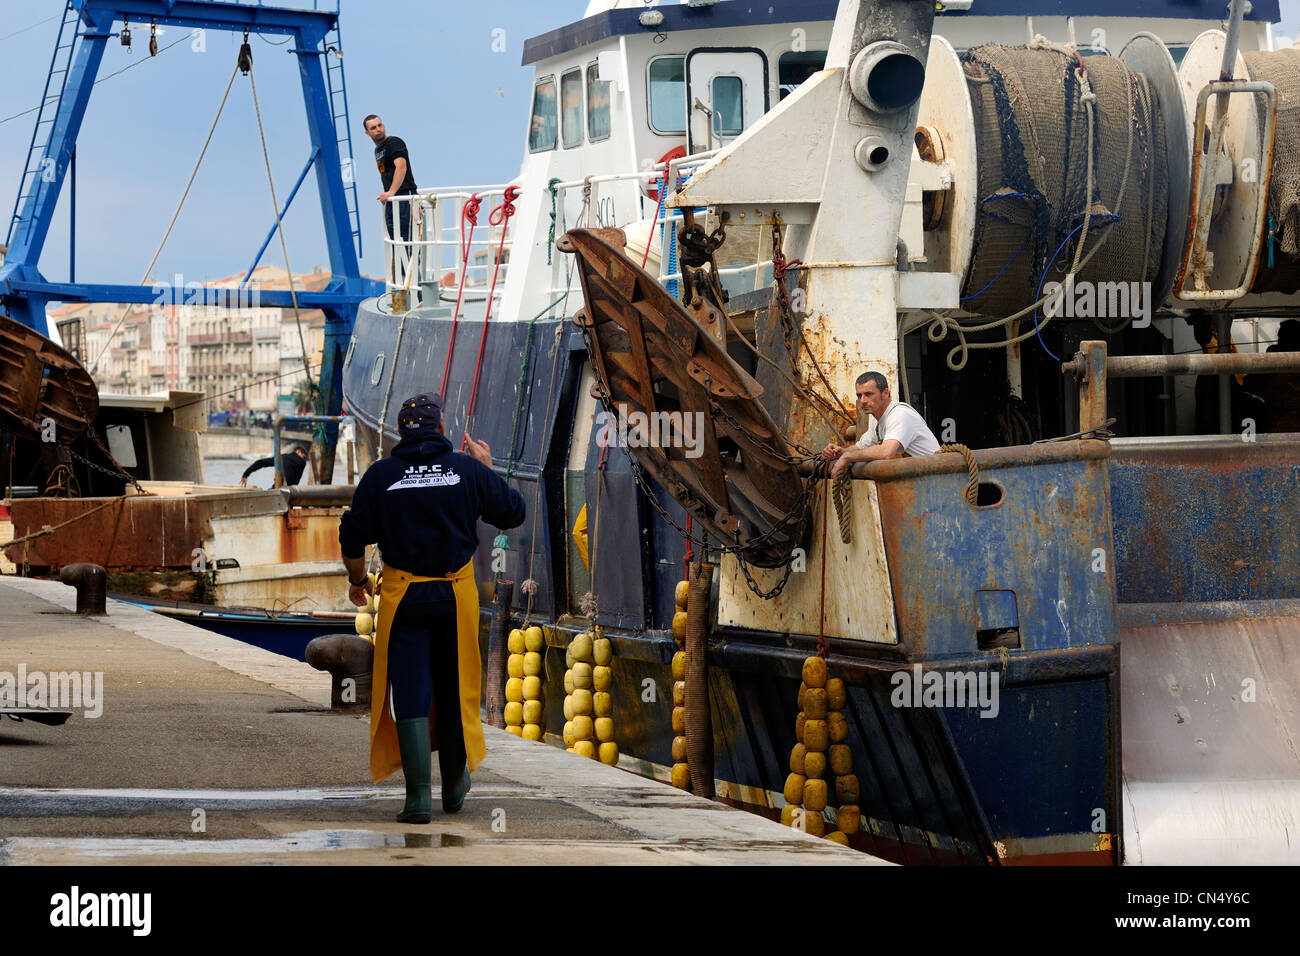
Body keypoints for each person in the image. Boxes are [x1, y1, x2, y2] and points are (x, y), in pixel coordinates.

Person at [338, 393, 525, 822]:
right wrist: (486, 468)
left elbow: (351, 538)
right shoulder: (466, 470)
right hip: (455, 598)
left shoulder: (381, 475)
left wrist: (358, 580)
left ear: (400, 433)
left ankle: (417, 799)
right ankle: (455, 786)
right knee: (455, 688)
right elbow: (512, 512)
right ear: (441, 429)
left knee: (410, 694)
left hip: (404, 600)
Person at [822, 371, 940, 478]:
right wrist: (838, 452)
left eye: (868, 394)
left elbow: (886, 452)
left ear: (885, 393)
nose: (862, 400)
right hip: (919, 479)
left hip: (937, 478)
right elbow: (861, 447)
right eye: (859, 395)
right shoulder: (876, 419)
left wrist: (847, 457)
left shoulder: (900, 414)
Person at [363, 114, 418, 280]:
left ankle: (414, 286)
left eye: (380, 125)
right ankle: (403, 283)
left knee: (407, 243)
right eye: (373, 127)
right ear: (367, 133)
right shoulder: (378, 150)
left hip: (404, 197)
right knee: (396, 243)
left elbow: (401, 167)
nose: (378, 129)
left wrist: (392, 191)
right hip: (393, 201)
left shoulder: (394, 143)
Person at [240, 443, 309, 487]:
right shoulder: (302, 463)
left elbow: (260, 462)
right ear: (298, 451)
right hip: (292, 491)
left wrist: (246, 474)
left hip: (278, 488)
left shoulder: (282, 458)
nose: (303, 459)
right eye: (303, 456)